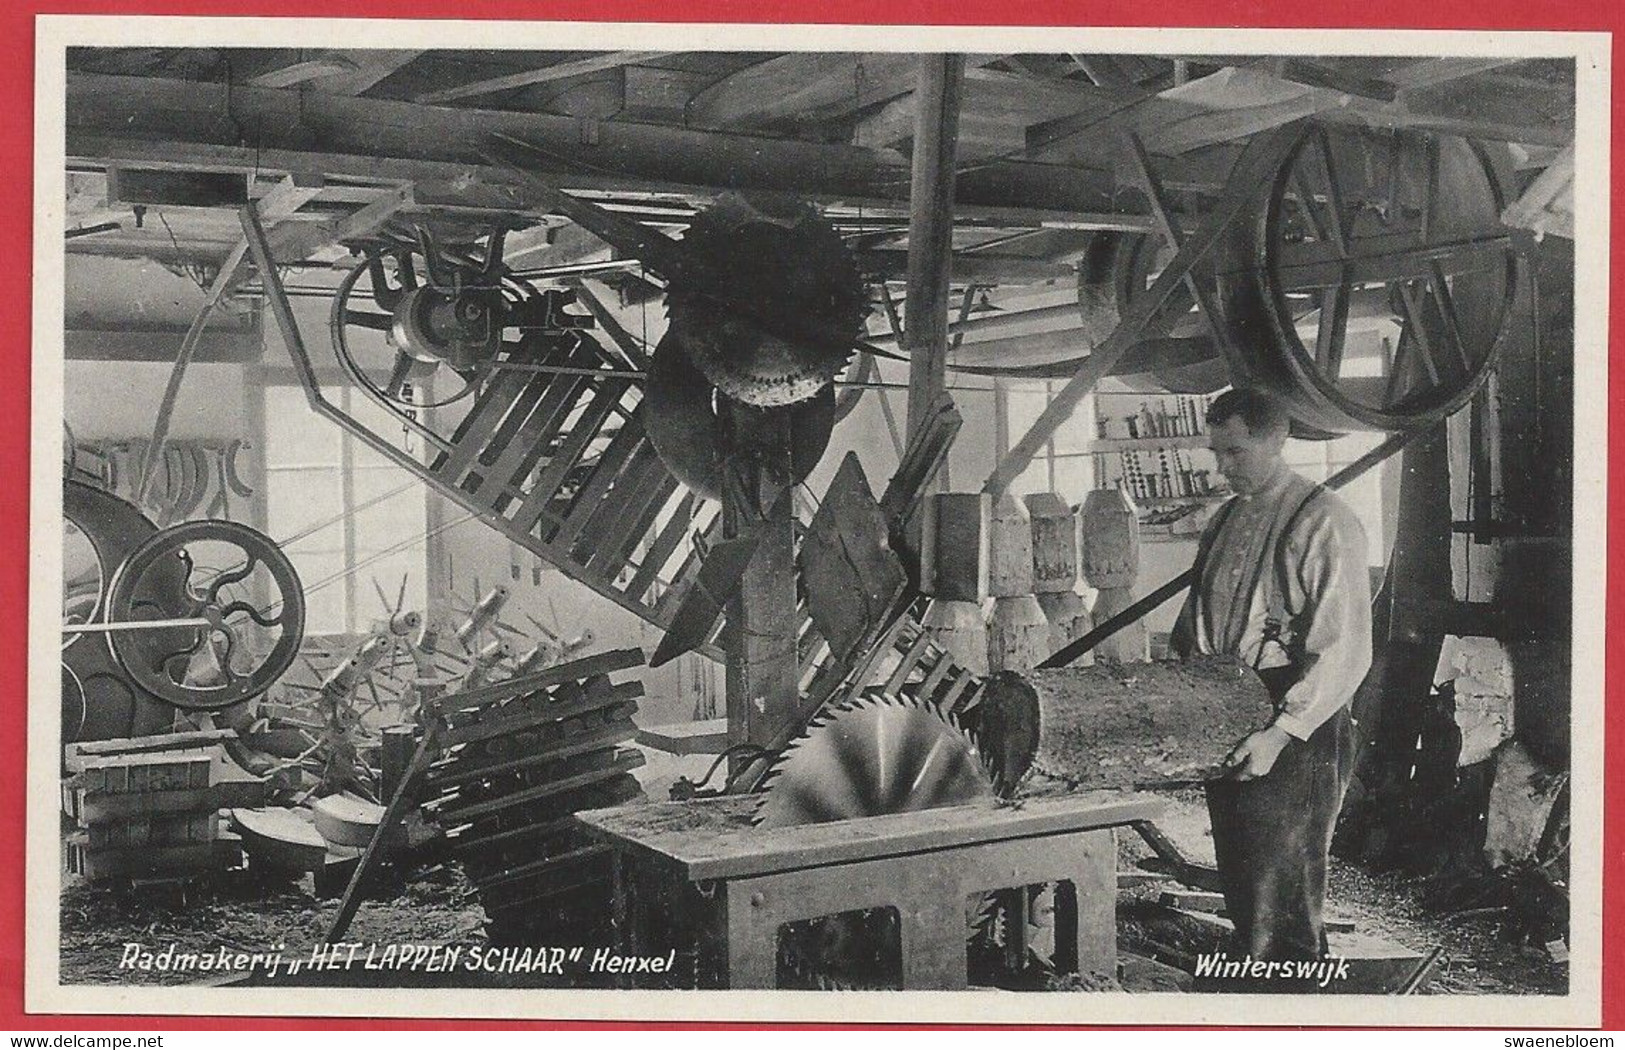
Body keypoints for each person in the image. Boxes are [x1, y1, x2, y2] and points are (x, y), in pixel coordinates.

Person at [1171, 388, 1373, 966]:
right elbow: (1197, 620)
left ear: (1274, 441)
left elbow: (1344, 649)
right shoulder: (1226, 520)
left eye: (1233, 453)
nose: (1222, 467)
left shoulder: (1324, 520)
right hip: (1230, 703)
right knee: (1243, 871)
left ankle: (1290, 994)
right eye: (1216, 453)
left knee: (1284, 881)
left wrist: (1280, 732)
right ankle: (1254, 978)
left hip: (1297, 720)